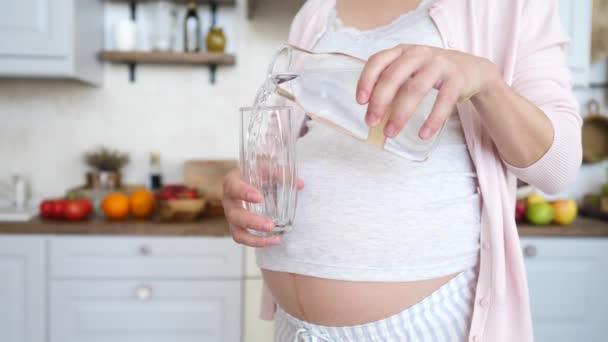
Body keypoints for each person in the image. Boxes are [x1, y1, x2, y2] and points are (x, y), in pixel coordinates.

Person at [222, 0, 582, 341]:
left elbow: (558, 168)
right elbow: (288, 142)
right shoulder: (316, 10)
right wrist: (251, 184)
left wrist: (485, 82)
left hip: (420, 325)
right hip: (295, 327)